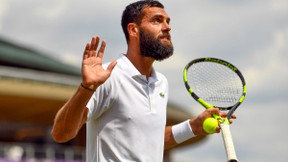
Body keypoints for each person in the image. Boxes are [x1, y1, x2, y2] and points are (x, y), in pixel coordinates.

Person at [51, 0, 236, 161]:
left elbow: (149, 141)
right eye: (157, 20)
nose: (167, 27)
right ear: (133, 29)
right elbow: (61, 134)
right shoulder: (108, 77)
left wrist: (193, 126)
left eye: (167, 21)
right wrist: (87, 87)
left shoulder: (161, 82)